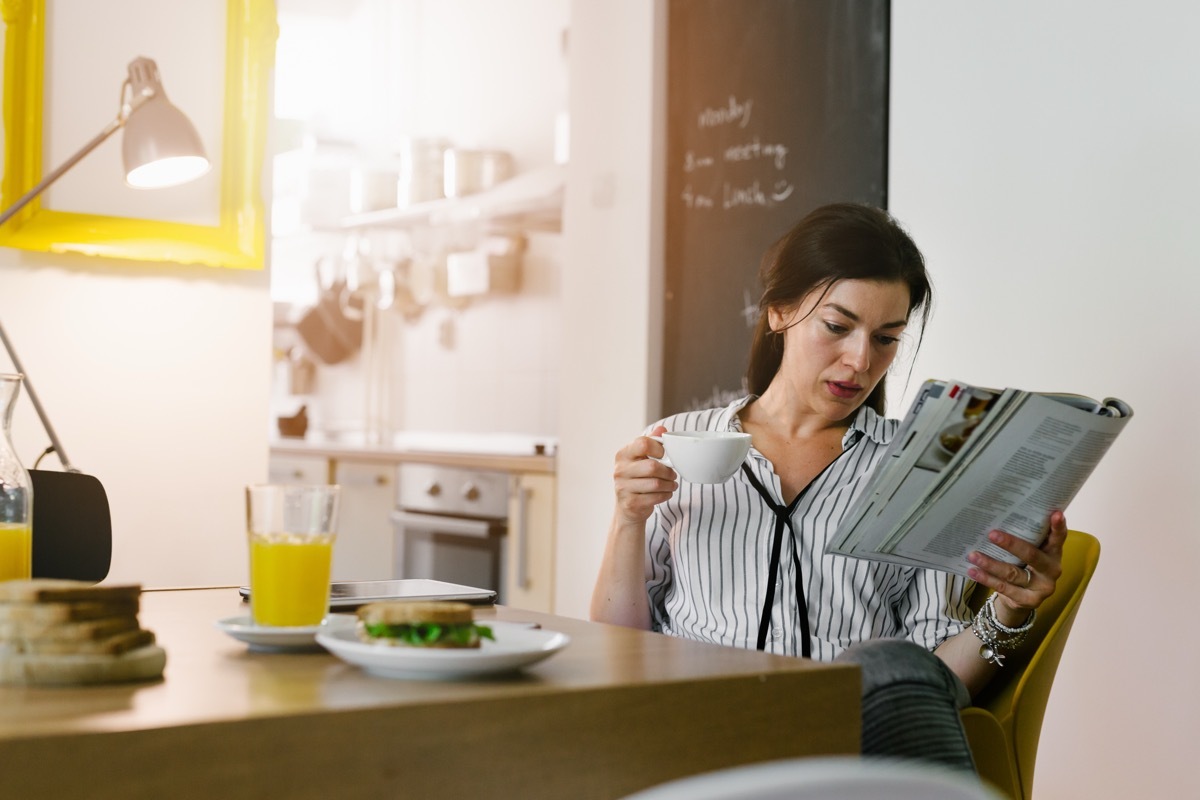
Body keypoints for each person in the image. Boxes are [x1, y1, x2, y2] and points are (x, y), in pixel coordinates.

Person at [590, 202, 1066, 773]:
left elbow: (929, 683)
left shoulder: (918, 466)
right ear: (779, 314)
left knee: (893, 670)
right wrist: (627, 519)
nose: (861, 360)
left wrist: (1009, 609)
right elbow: (616, 650)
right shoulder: (677, 444)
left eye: (887, 339)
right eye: (837, 327)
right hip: (701, 734)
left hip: (850, 741)